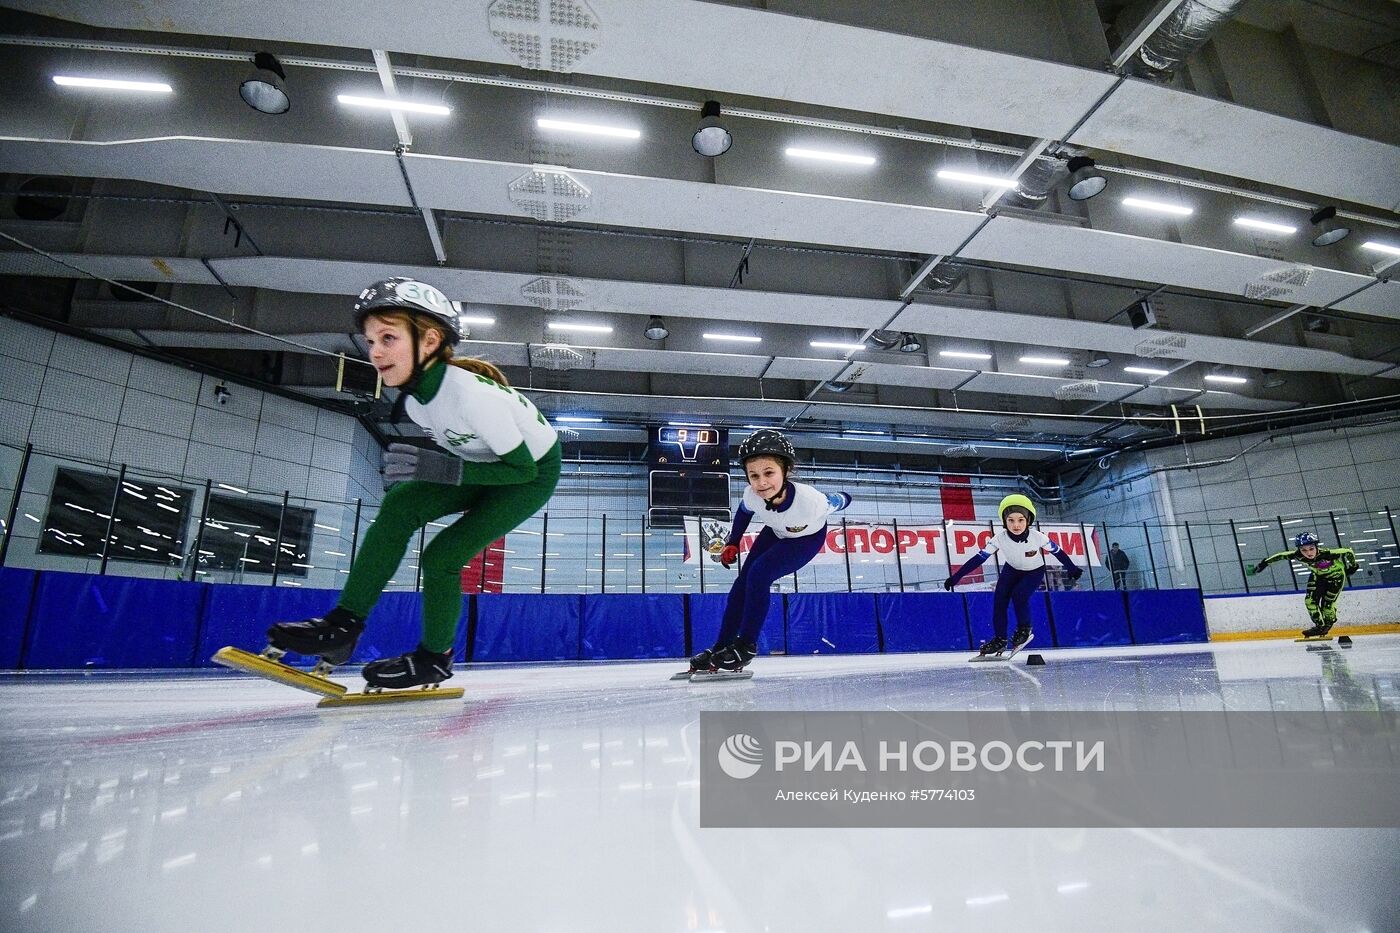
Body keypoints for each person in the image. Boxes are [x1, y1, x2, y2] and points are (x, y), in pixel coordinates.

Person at [265, 277, 561, 689]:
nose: (374, 353)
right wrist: (444, 471)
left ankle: (434, 658)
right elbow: (471, 457)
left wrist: (441, 469)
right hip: (486, 463)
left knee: (442, 557)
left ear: (429, 341)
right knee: (401, 503)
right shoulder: (417, 405)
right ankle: (342, 627)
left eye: (388, 338)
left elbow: (523, 471)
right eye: (370, 341)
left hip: (530, 475)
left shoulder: (475, 398)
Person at [686, 430, 851, 675]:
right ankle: (722, 647)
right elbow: (744, 512)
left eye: (769, 473)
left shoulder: (811, 502)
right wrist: (733, 542)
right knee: (741, 585)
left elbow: (840, 500)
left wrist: (844, 497)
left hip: (805, 539)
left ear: (786, 470)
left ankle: (745, 647)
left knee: (760, 574)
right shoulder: (752, 495)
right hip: (775, 531)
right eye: (753, 475)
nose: (761, 482)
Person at [943, 494, 1083, 657]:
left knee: (1019, 595)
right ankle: (1000, 639)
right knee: (999, 600)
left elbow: (1058, 552)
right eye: (1011, 520)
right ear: (1004, 521)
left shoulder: (1037, 537)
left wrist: (1071, 568)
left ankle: (1024, 629)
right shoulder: (999, 539)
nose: (1016, 525)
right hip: (1012, 569)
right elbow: (978, 559)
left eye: (1021, 520)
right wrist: (956, 577)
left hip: (1034, 570)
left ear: (1028, 520)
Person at [1248, 532, 1357, 638]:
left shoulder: (1328, 554)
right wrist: (1263, 564)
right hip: (1318, 576)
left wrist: (1353, 566)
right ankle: (1320, 627)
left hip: (1336, 578)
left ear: (1316, 546)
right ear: (1299, 550)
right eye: (1303, 550)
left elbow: (1348, 551)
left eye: (1311, 548)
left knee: (1327, 605)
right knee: (1310, 602)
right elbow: (1281, 555)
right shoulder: (1298, 555)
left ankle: (1328, 624)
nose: (1308, 553)